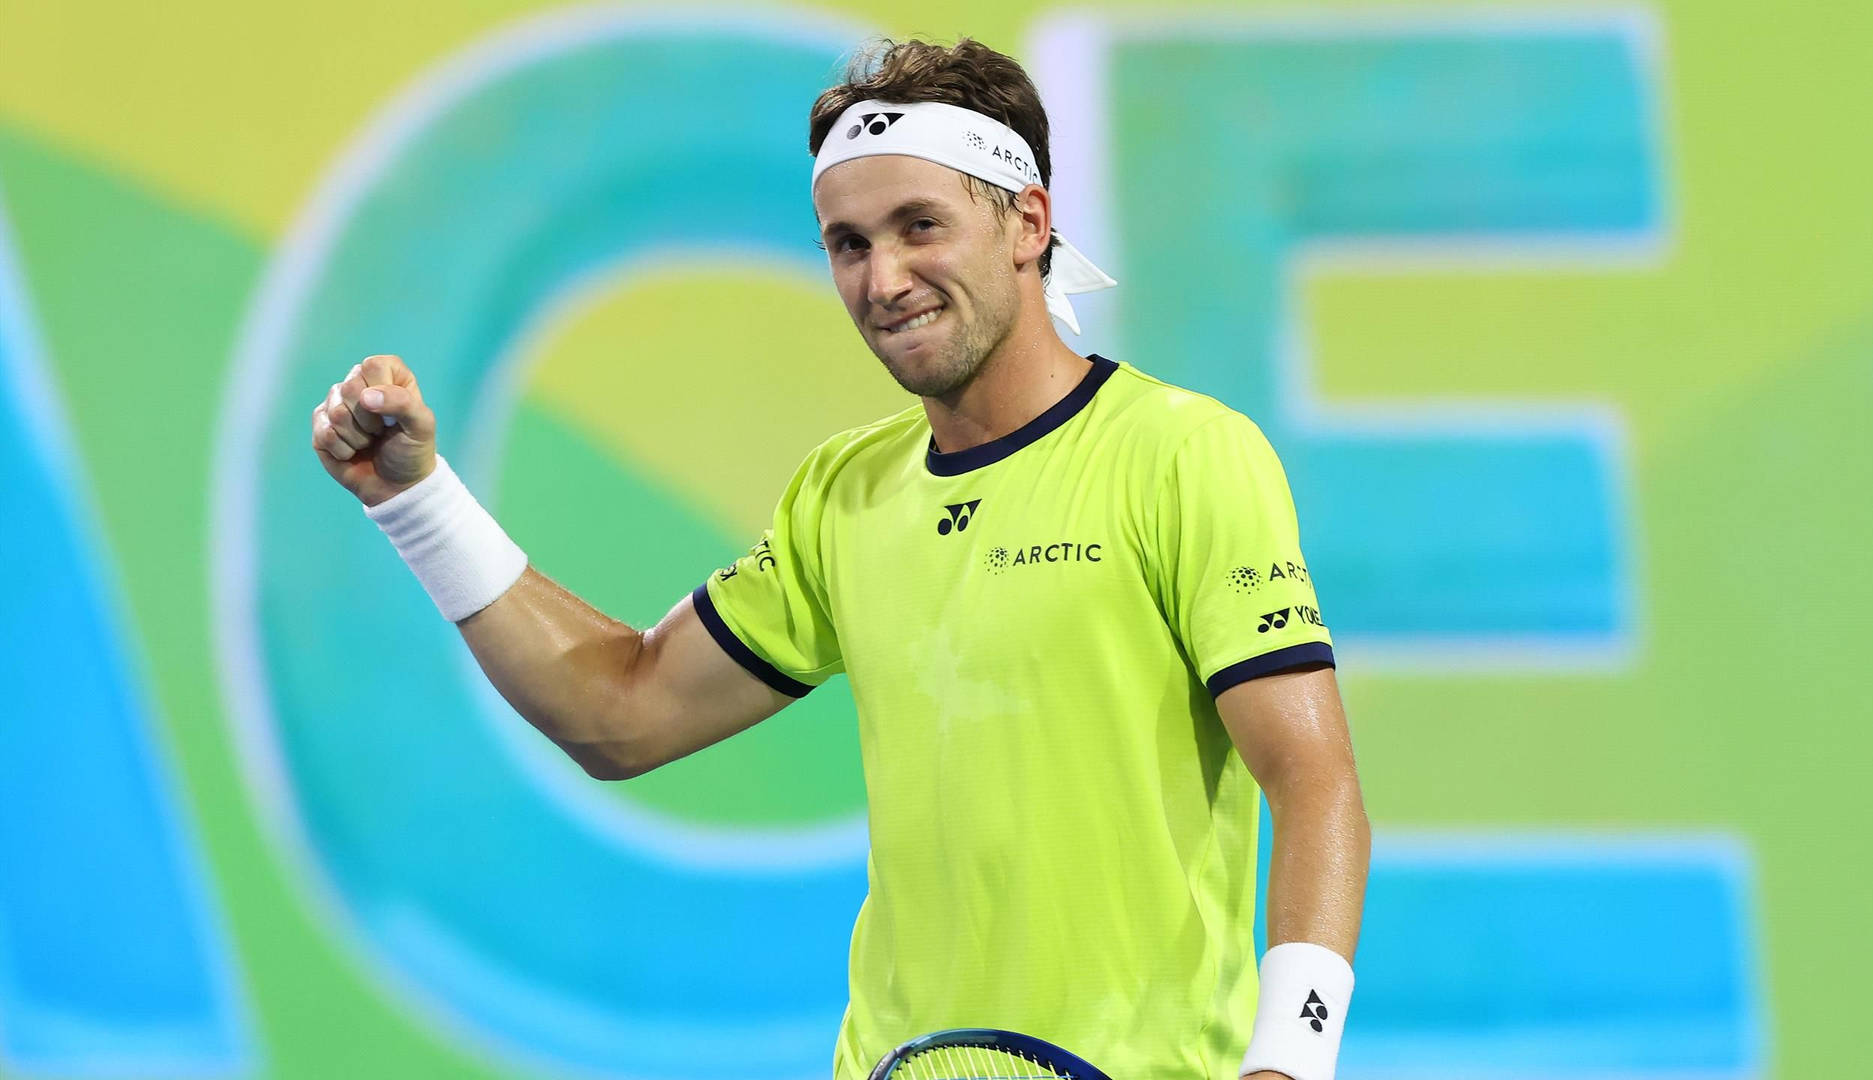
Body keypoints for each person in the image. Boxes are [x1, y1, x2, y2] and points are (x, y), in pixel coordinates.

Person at [310, 37, 1368, 1080]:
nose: (884, 278)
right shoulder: (843, 494)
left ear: (1028, 222)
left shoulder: (1186, 455)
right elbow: (619, 714)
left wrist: (1290, 1063)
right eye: (848, 243)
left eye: (920, 228)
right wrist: (416, 502)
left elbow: (1313, 782)